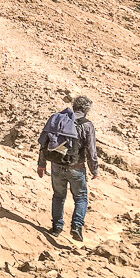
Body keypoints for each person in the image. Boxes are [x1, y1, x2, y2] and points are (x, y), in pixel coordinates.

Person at [37, 96, 99, 242]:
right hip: (77, 168)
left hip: (57, 166)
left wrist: (41, 164)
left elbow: (44, 143)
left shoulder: (60, 120)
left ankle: (56, 227)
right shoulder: (87, 125)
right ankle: (76, 227)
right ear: (87, 109)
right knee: (81, 198)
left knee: (58, 196)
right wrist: (94, 169)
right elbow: (91, 150)